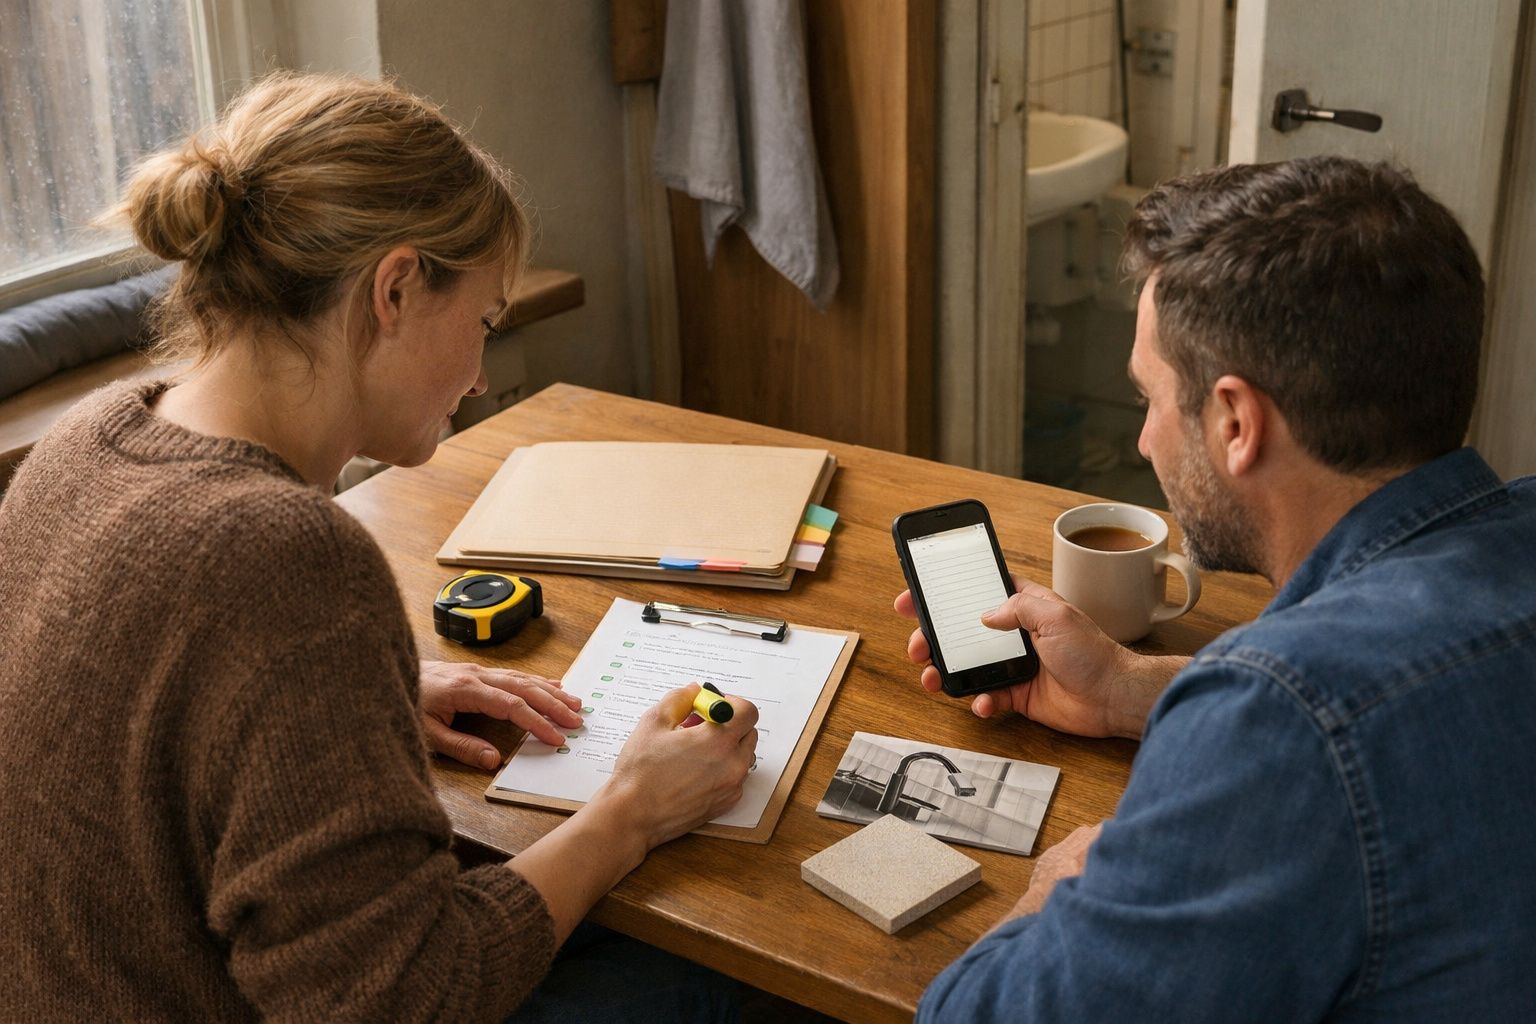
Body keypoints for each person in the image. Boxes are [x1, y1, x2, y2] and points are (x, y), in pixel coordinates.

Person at [0, 72, 758, 1021]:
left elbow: (141, 714)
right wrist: (631, 811)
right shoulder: (283, 558)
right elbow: (405, 999)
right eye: (483, 324)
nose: (481, 378)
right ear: (395, 287)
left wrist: (364, 694)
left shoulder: (95, 434)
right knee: (734, 979)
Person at [902, 157, 1536, 1020]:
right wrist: (1132, 688)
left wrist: (1058, 889)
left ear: (1236, 423)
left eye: (1151, 398)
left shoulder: (1277, 726)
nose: (1144, 442)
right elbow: (1404, 705)